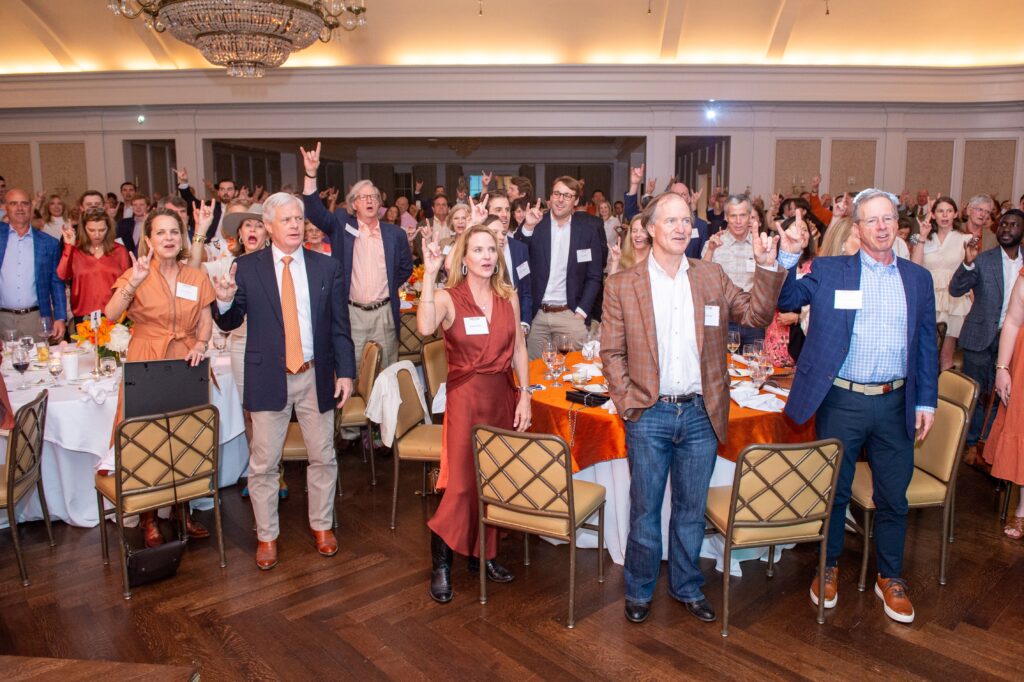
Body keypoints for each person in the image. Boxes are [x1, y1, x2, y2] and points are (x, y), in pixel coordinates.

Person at [601, 192, 787, 625]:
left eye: (687, 220)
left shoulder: (710, 275)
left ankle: (686, 587)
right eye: (672, 221)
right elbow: (611, 353)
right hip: (650, 414)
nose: (683, 228)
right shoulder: (623, 284)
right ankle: (639, 591)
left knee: (690, 508)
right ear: (649, 228)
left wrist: (766, 266)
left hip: (702, 414)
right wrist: (630, 404)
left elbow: (756, 316)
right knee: (645, 510)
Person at [776, 188, 938, 625]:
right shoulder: (829, 270)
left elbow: (925, 344)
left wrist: (926, 401)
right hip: (842, 400)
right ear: (858, 228)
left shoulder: (917, 278)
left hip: (896, 402)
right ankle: (827, 569)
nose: (882, 227)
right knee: (836, 491)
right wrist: (789, 258)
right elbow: (787, 302)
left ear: (896, 226)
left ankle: (891, 577)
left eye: (888, 219)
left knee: (893, 496)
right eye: (872, 220)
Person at [211, 192, 356, 570]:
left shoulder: (327, 267)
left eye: (299, 219)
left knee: (323, 454)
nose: (295, 225)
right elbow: (228, 322)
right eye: (287, 220)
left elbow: (341, 326)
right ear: (269, 226)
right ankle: (267, 535)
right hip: (267, 375)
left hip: (314, 374)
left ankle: (322, 526)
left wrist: (346, 372)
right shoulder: (246, 267)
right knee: (263, 463)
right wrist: (224, 301)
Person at [416, 225, 531, 603]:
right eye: (477, 250)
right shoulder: (448, 297)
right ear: (463, 259)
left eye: (491, 250)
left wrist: (525, 396)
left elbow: (519, 351)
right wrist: (430, 272)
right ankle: (442, 563)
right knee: (463, 483)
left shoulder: (508, 297)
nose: (486, 256)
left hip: (501, 395)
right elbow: (424, 326)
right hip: (466, 399)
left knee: (494, 479)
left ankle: (485, 555)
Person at [105, 207, 215, 547]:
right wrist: (134, 283)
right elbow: (110, 314)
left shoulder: (195, 277)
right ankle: (149, 514)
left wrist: (200, 342)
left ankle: (181, 510)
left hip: (186, 362)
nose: (168, 238)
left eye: (173, 232)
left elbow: (206, 318)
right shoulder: (136, 272)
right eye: (161, 233)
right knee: (147, 434)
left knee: (185, 434)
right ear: (148, 239)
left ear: (181, 238)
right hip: (147, 359)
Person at [300, 142, 413, 373]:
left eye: (373, 197)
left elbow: (405, 268)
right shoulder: (341, 225)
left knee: (387, 376)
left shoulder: (394, 234)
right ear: (354, 204)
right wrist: (311, 174)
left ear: (380, 204)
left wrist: (387, 286)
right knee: (352, 375)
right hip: (352, 314)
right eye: (363, 197)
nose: (370, 200)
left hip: (384, 313)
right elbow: (314, 212)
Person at [951, 210, 1024, 465]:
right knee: (976, 393)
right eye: (1003, 224)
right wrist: (968, 263)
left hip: (1012, 342)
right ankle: (971, 444)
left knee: (1001, 395)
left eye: (1013, 225)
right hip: (980, 337)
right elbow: (956, 288)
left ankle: (989, 445)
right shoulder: (983, 259)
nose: (1006, 228)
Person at [517, 177, 604, 359]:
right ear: (550, 197)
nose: (560, 199)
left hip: (570, 315)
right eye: (557, 194)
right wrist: (527, 226)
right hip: (537, 315)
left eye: (567, 195)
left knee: (574, 375)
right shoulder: (536, 224)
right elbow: (516, 256)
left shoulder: (587, 231)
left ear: (576, 201)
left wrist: (581, 312)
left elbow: (594, 276)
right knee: (535, 376)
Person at [910, 196, 974, 370]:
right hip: (930, 298)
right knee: (926, 352)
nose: (945, 215)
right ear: (933, 215)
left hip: (955, 300)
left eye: (949, 211)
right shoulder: (923, 238)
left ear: (955, 214)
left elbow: (970, 271)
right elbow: (915, 267)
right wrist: (922, 237)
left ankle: (943, 395)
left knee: (946, 354)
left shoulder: (965, 239)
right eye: (940, 211)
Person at [0, 188, 66, 341]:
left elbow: (56, 283)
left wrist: (60, 318)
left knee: (39, 363)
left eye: (24, 203)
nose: (20, 208)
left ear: (31, 207)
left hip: (36, 319)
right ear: (6, 208)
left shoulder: (49, 243)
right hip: (3, 319)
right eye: (14, 203)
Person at [702, 195, 765, 346]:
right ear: (726, 217)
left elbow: (768, 283)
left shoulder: (761, 246)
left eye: (742, 215)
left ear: (750, 217)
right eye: (733, 216)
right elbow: (701, 279)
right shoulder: (714, 244)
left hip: (752, 320)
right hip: (723, 320)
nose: (738, 221)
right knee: (722, 368)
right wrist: (710, 251)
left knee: (753, 365)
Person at [56, 209, 130, 324]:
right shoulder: (75, 250)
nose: (97, 235)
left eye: (102, 230)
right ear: (83, 229)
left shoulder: (120, 251)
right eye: (91, 230)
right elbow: (62, 275)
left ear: (109, 229)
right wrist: (68, 247)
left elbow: (128, 285)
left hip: (116, 315)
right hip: (84, 315)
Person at [762, 214, 815, 367]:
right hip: (777, 329)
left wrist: (798, 317)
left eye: (805, 230)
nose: (801, 233)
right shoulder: (776, 262)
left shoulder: (817, 266)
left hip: (803, 334)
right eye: (796, 229)